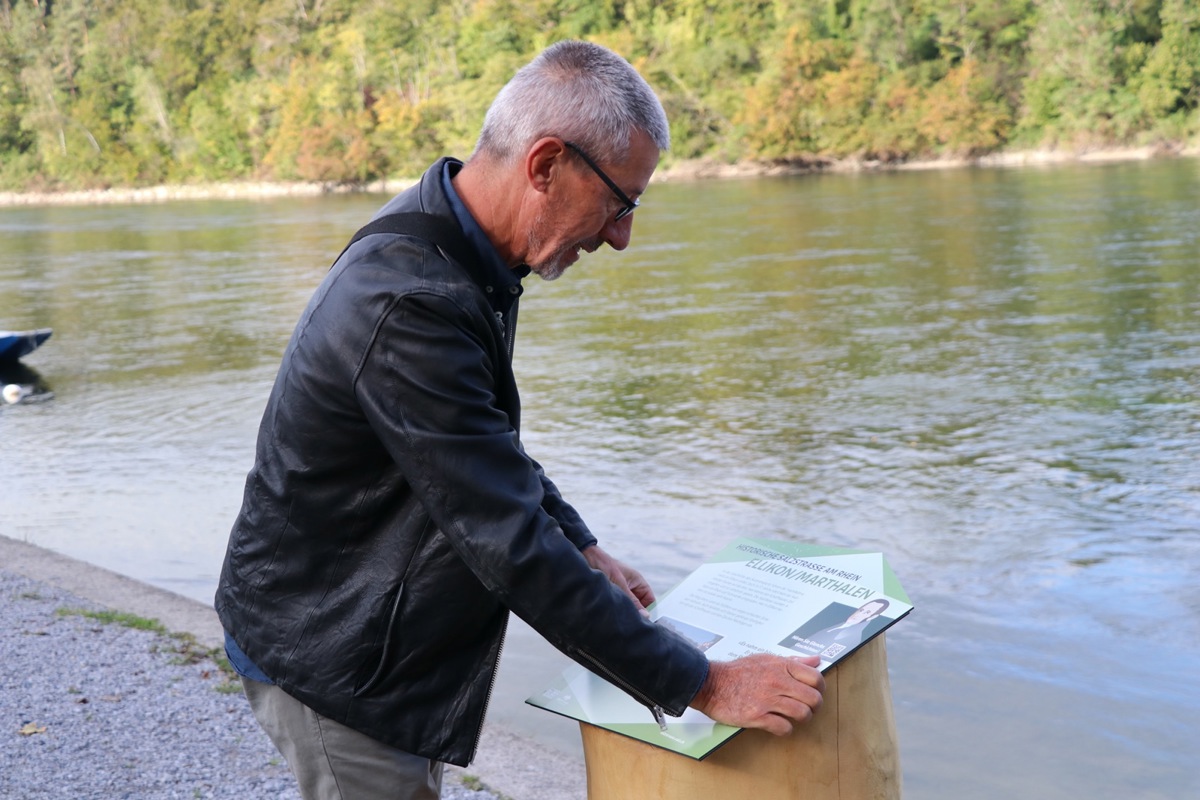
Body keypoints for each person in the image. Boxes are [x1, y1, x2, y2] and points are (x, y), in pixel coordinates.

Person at [215, 40, 824, 800]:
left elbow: (483, 447)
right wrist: (705, 683)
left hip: (361, 626)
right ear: (545, 166)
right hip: (333, 649)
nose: (621, 236)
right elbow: (507, 541)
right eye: (619, 201)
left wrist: (584, 544)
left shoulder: (464, 252)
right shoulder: (411, 304)